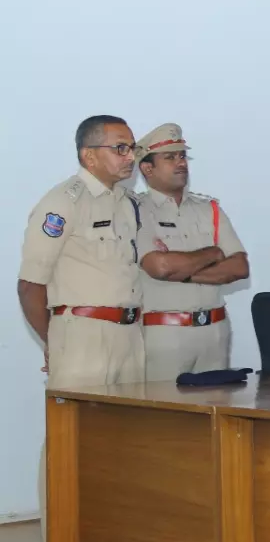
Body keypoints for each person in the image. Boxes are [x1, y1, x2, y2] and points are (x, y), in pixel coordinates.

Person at [18, 115, 145, 386]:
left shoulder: (127, 203)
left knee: (133, 415)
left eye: (133, 148)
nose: (131, 157)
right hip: (83, 338)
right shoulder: (64, 202)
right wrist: (54, 340)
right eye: (121, 148)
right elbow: (29, 286)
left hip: (131, 336)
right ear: (89, 156)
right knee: (82, 415)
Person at [134, 124, 249, 379]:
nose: (181, 163)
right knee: (165, 405)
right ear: (147, 168)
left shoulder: (209, 208)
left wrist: (182, 272)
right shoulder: (136, 210)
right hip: (165, 335)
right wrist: (213, 253)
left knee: (216, 403)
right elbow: (160, 267)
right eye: (170, 157)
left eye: (183, 156)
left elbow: (239, 267)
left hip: (215, 332)